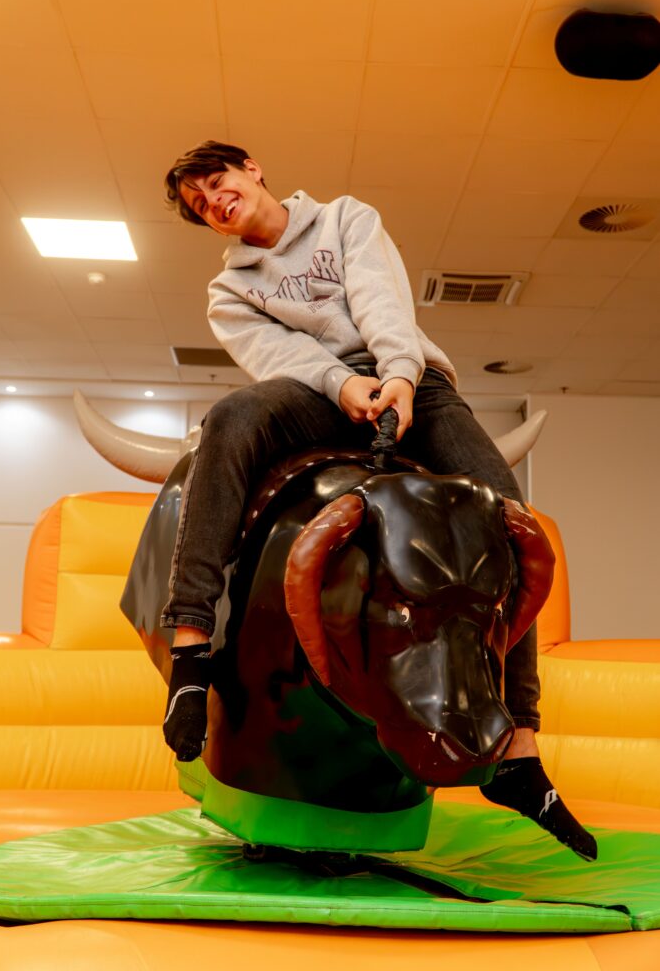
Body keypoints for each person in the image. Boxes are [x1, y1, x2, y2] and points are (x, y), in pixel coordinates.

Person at [159, 140, 596, 861]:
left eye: (216, 181)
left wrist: (396, 375)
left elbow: (380, 299)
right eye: (199, 205)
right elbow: (280, 359)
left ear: (251, 169)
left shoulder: (343, 218)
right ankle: (189, 657)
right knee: (231, 416)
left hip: (410, 380)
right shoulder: (228, 291)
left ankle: (518, 745)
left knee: (506, 519)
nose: (213, 201)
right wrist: (343, 387)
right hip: (317, 394)